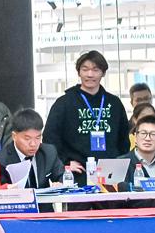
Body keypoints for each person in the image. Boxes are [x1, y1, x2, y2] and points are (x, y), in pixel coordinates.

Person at [43, 50, 129, 184]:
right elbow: (50, 138)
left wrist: (119, 163)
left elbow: (123, 139)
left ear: (103, 73)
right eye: (85, 69)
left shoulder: (114, 103)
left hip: (110, 174)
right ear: (79, 72)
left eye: (95, 70)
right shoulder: (64, 103)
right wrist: (64, 163)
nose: (90, 74)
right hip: (77, 173)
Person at [0, 109, 64, 194]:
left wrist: (60, 184)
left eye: (38, 138)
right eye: (27, 139)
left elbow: (62, 176)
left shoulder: (49, 152)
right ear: (14, 136)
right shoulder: (0, 160)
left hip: (44, 202)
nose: (33, 144)